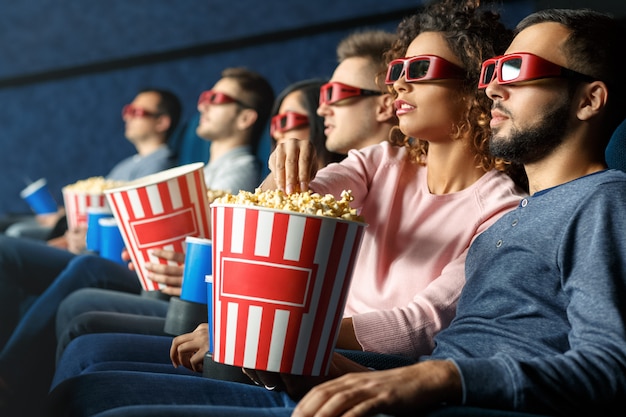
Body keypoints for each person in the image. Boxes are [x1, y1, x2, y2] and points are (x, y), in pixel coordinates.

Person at [47, 1, 540, 416]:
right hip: (281, 348)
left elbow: (419, 324)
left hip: (340, 377)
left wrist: (266, 335)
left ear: (478, 87)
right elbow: (273, 215)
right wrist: (289, 169)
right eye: (396, 72)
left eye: (419, 71)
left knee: (87, 387)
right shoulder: (379, 161)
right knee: (88, 353)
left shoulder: (503, 209)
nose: (399, 86)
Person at [0, 69, 274, 417]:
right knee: (24, 245)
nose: (203, 103)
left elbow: (218, 245)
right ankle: (13, 380)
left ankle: (10, 377)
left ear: (247, 117)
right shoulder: (202, 168)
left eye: (217, 99)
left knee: (73, 272)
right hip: (156, 270)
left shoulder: (240, 172)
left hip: (176, 286)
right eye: (205, 96)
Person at [4, 88, 181, 246]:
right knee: (7, 223)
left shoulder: (160, 166)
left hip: (95, 239)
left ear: (161, 122)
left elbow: (126, 220)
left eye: (137, 112)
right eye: (127, 110)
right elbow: (103, 204)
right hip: (77, 228)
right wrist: (66, 214)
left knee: (15, 235)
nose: (127, 116)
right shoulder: (127, 164)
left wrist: (61, 222)